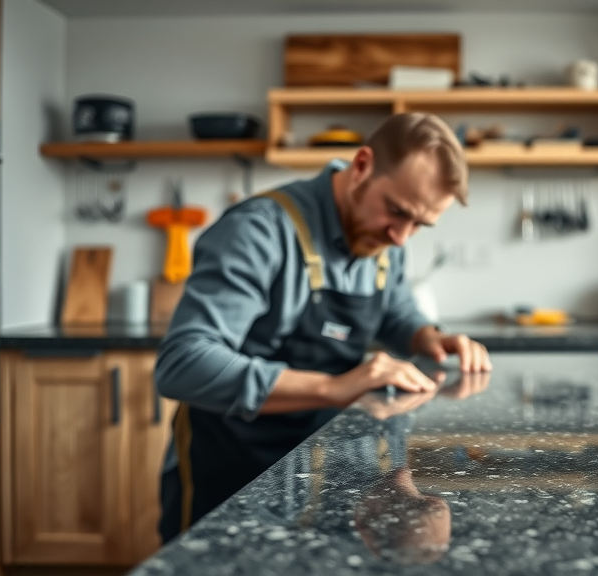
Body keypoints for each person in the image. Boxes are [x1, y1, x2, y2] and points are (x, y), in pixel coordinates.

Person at [154, 112, 492, 543]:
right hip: (228, 464)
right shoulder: (257, 231)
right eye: (397, 211)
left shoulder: (386, 238)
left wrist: (427, 335)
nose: (402, 237)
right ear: (362, 166)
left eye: (419, 225)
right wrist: (334, 387)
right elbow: (183, 365)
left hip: (322, 470)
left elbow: (395, 309)